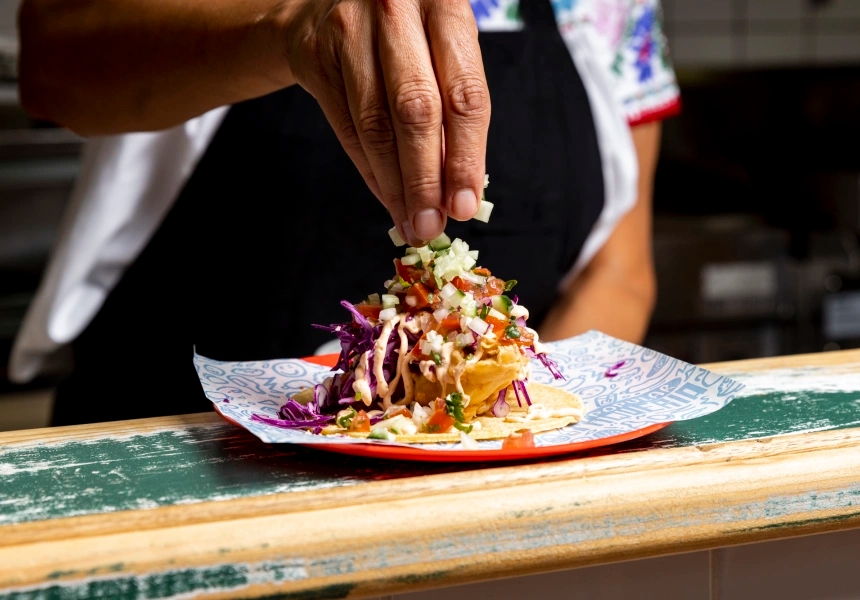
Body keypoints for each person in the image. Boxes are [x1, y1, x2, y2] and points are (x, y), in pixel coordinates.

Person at [11, 0, 680, 425]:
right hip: (175, 446)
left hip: (483, 500)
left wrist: (506, 428)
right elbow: (52, 61)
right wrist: (286, 29)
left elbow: (619, 272)